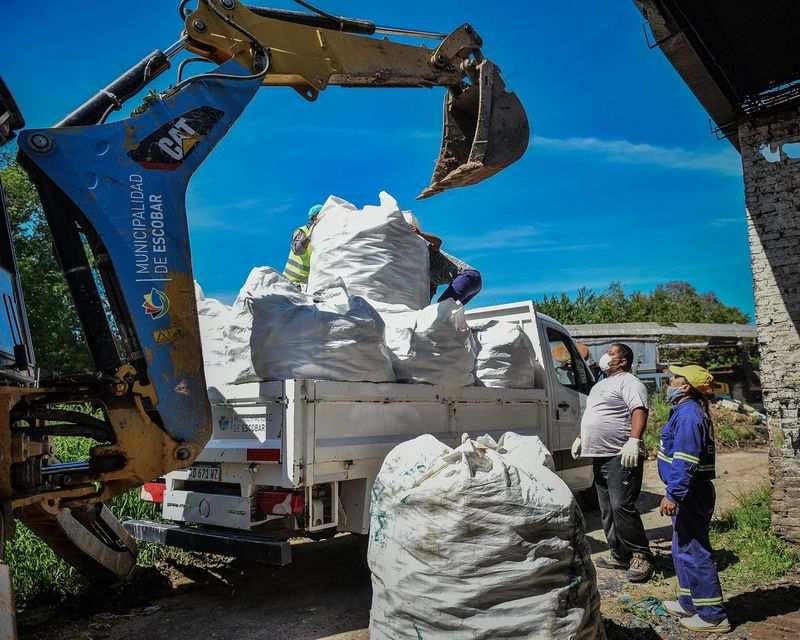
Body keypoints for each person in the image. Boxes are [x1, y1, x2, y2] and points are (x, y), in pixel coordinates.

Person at [571, 342, 655, 582]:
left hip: (621, 454)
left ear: (623, 360)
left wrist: (634, 440)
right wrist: (580, 437)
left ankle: (641, 556)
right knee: (606, 508)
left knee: (621, 507)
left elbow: (639, 409)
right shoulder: (600, 385)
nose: (606, 357)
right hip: (600, 454)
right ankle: (620, 554)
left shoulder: (629, 382)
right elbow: (593, 415)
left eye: (611, 353)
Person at [658, 365, 730, 633]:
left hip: (689, 492)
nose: (670, 381)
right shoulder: (685, 411)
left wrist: (673, 494)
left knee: (695, 552)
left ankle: (713, 615)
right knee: (682, 550)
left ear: (686, 386)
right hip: (689, 491)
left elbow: (685, 460)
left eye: (674, 378)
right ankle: (690, 601)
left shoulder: (689, 415)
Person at [408, 218, 482, 305]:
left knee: (442, 306)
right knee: (450, 313)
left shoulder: (428, 252)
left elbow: (438, 242)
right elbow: (426, 300)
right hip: (475, 284)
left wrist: (420, 233)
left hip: (467, 275)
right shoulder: (428, 280)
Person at [283, 204, 322, 288]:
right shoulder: (302, 231)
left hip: (306, 285)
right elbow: (297, 250)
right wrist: (309, 237)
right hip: (291, 282)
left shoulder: (320, 237)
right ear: (315, 217)